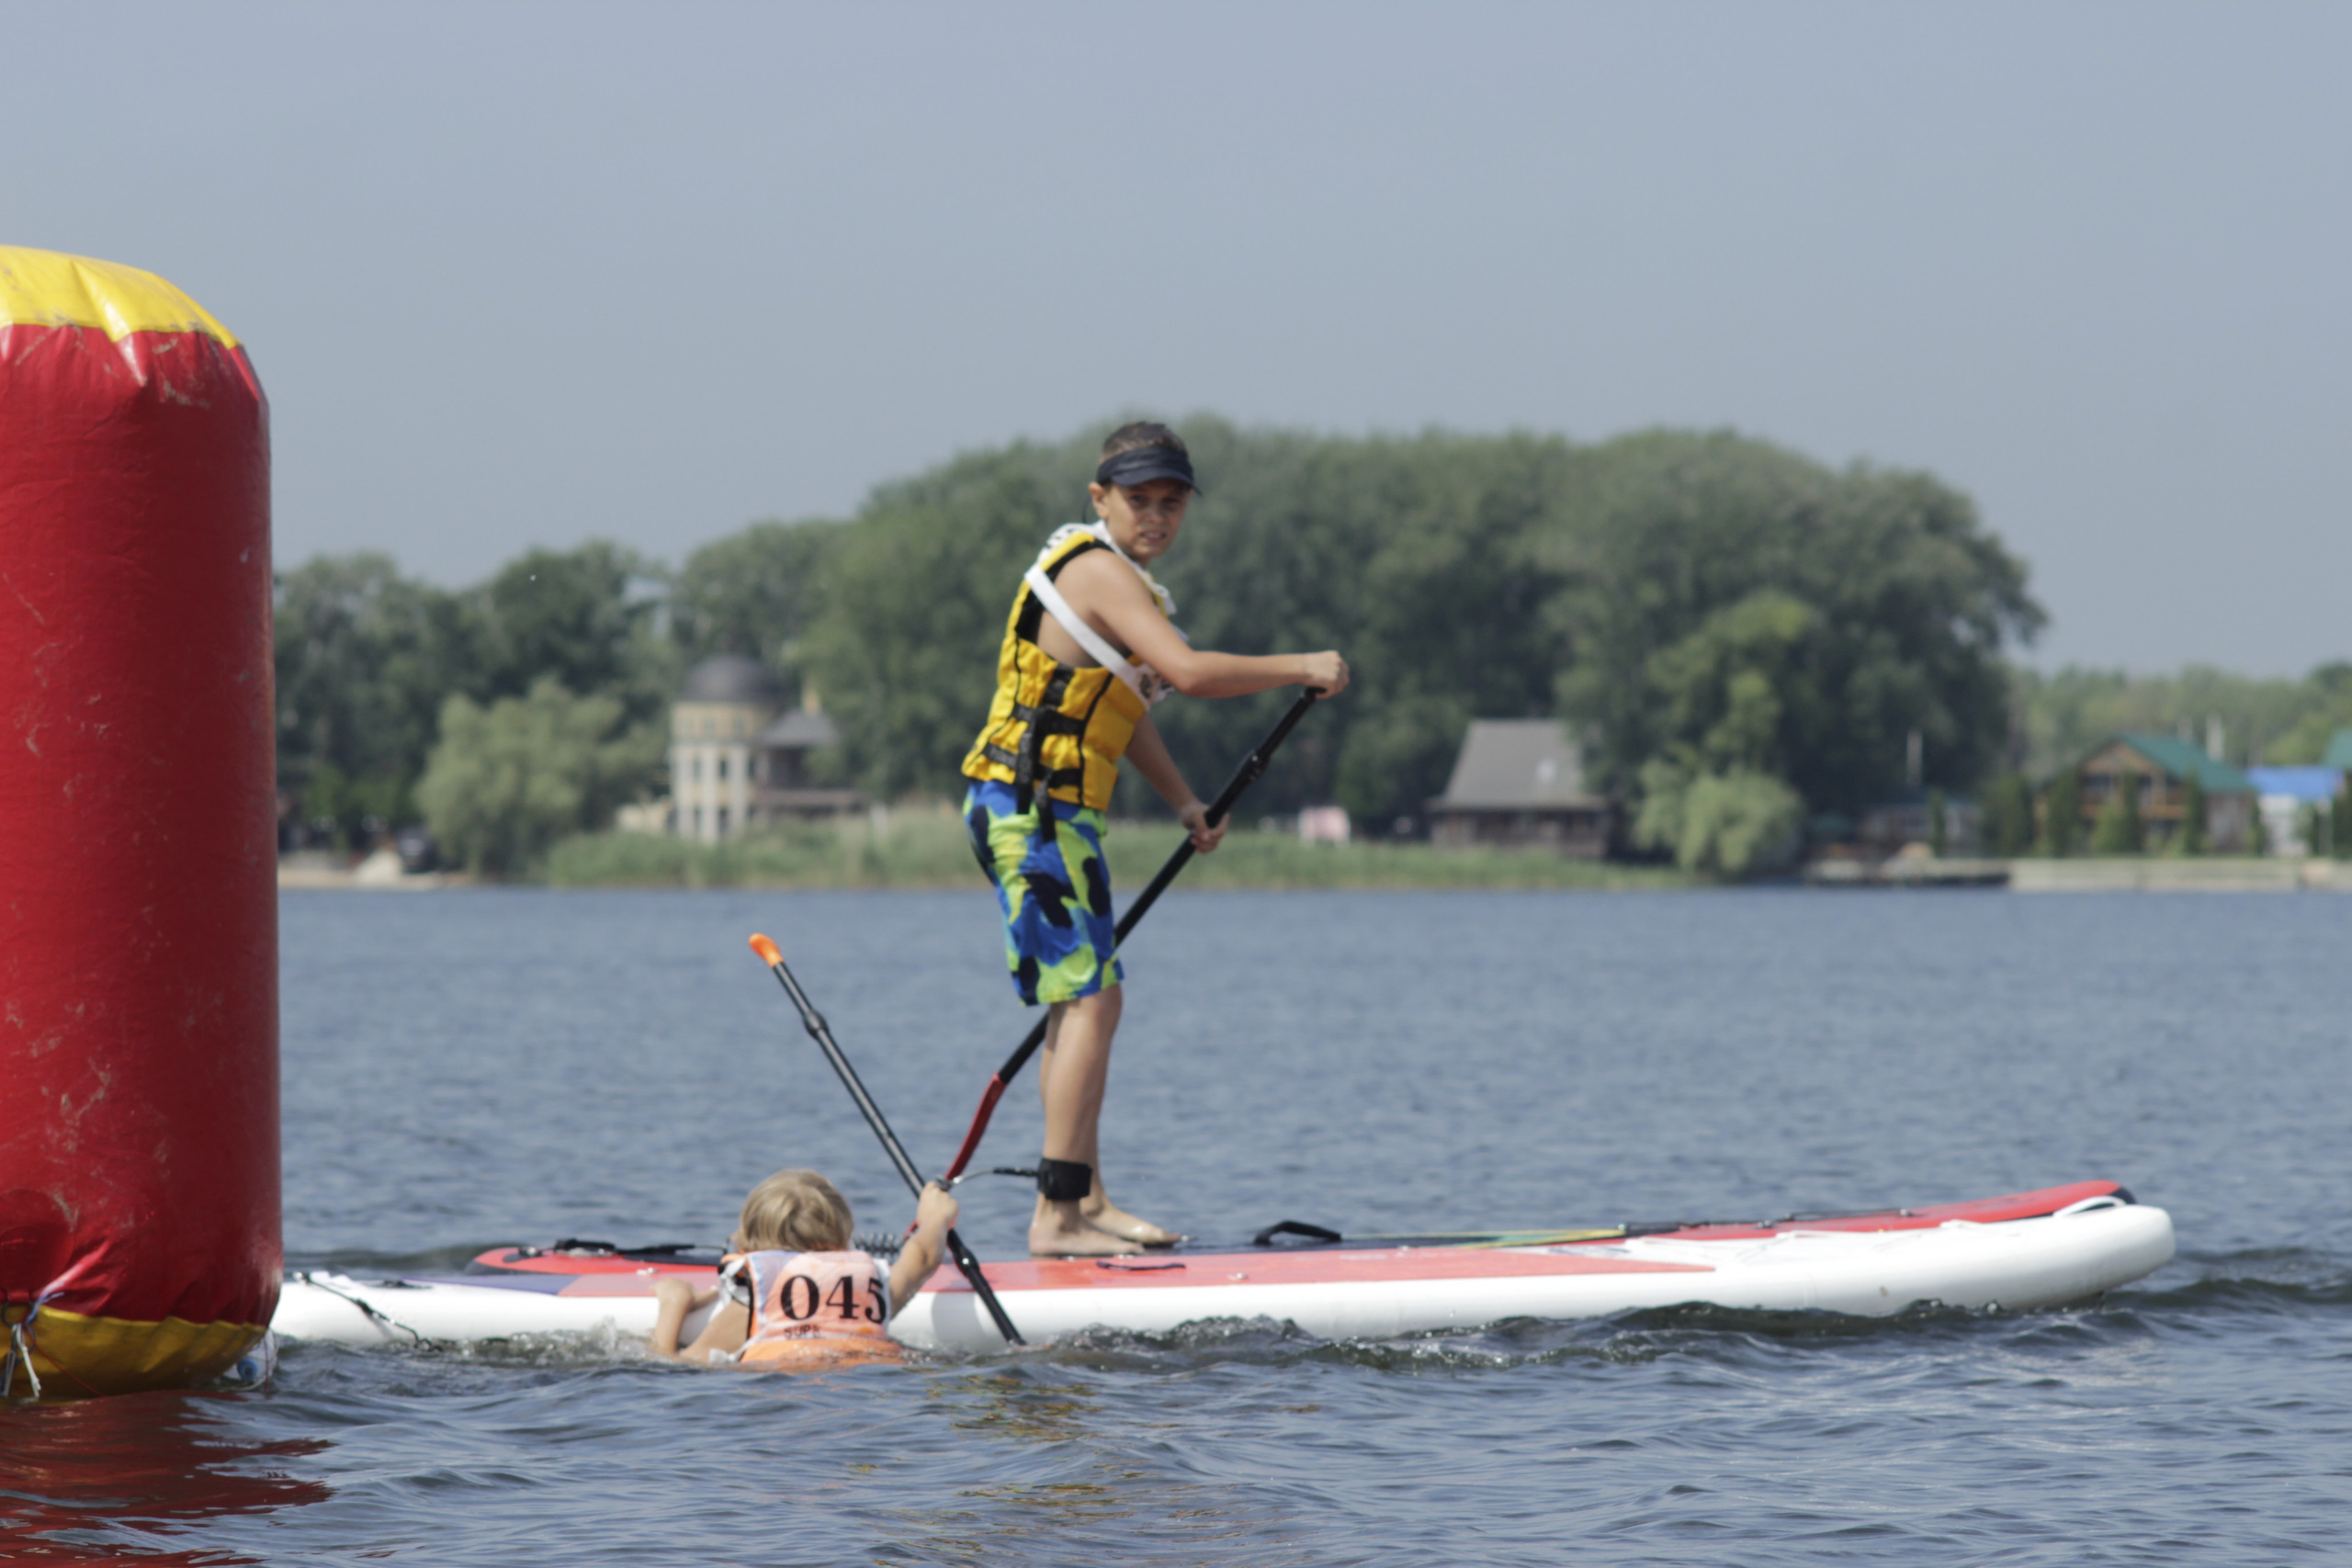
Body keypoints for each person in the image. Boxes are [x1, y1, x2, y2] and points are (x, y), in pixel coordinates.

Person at [960, 421, 1350, 1258]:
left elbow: (1126, 712)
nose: (1158, 518)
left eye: (1172, 504)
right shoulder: (1097, 569)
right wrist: (1303, 665)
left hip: (1064, 815)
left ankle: (1084, 1198)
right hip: (1028, 810)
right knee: (1089, 998)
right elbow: (1189, 674)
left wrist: (1185, 802)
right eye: (1140, 501)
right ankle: (1057, 1215)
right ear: (1099, 499)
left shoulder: (1121, 586)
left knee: (1095, 998)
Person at [648, 1168, 958, 1369]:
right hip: (874, 1378)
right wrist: (936, 1218)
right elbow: (922, 1257)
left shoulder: (755, 1304)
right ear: (843, 1234)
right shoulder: (869, 1288)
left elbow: (677, 1364)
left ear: (748, 1242)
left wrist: (674, 1302)